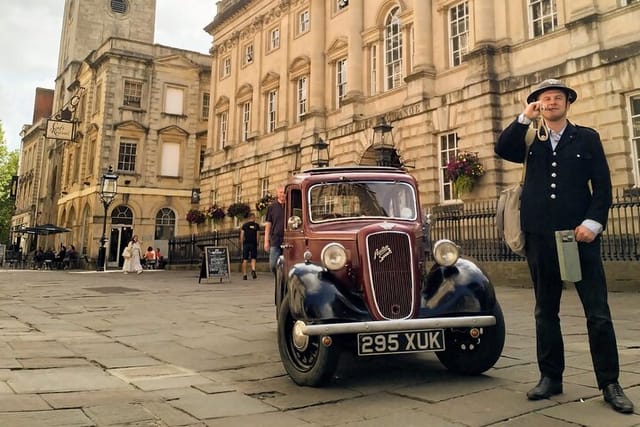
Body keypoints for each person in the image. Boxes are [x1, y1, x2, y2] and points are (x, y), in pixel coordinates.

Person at [495, 79, 634, 413]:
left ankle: (610, 383)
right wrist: (524, 117)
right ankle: (550, 377)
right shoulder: (529, 139)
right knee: (546, 310)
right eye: (545, 99)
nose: (552, 102)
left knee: (597, 312)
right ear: (538, 105)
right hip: (540, 237)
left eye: (558, 97)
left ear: (568, 103)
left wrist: (593, 223)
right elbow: (503, 149)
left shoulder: (586, 137)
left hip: (579, 237)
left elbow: (602, 185)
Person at [263, 184, 285, 274]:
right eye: (280, 192)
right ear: (277, 193)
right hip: (275, 239)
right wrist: (266, 241)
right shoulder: (272, 207)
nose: (282, 194)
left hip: (288, 240)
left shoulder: (290, 205)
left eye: (284, 192)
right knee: (273, 265)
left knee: (286, 264)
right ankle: (278, 278)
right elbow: (268, 224)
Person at [240, 212, 260, 280]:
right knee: (253, 258)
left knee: (245, 259)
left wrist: (241, 243)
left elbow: (242, 235)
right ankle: (253, 270)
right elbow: (257, 235)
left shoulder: (244, 225)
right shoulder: (256, 225)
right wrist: (257, 242)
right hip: (253, 243)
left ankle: (245, 275)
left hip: (246, 244)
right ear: (253, 217)